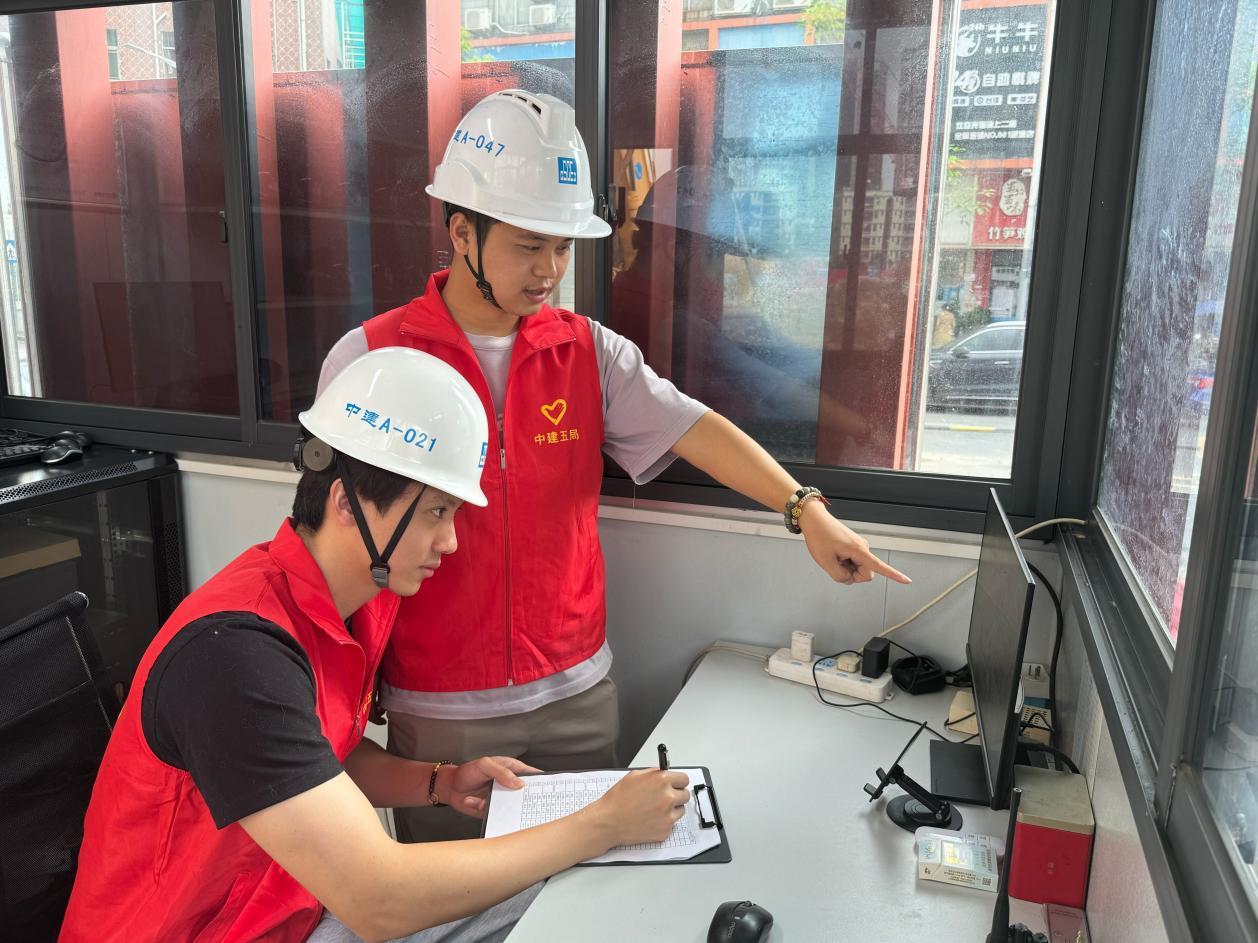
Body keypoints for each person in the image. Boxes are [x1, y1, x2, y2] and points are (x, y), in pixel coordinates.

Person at [318, 89, 911, 845]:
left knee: (582, 895)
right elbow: (333, 540)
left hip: (576, 699)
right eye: (529, 245)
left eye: (563, 248)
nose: (550, 270)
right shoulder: (373, 359)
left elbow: (695, 427)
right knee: (456, 901)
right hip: (440, 711)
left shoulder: (587, 352)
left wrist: (806, 510)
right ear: (462, 231)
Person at [59, 348, 691, 943]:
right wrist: (601, 824)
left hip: (285, 909)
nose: (451, 542)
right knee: (557, 873)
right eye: (436, 513)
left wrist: (440, 783)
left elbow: (315, 756)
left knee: (552, 889)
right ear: (346, 503)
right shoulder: (234, 656)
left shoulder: (348, 604)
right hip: (210, 930)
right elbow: (379, 899)